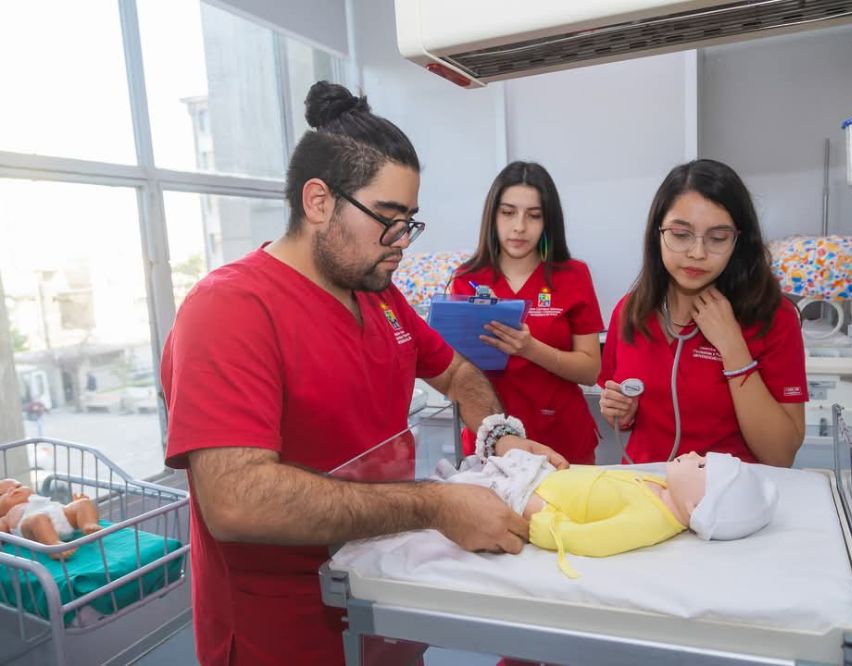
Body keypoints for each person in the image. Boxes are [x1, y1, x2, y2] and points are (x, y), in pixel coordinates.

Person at [161, 82, 567, 666]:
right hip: (284, 628)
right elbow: (237, 500)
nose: (402, 243)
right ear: (319, 202)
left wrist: (498, 436)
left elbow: (458, 373)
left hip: (381, 599)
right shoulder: (230, 309)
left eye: (410, 223)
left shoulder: (376, 294)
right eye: (388, 220)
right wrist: (434, 505)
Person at [598, 159, 807, 466]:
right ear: (658, 233)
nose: (697, 253)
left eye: (717, 238)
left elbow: (780, 455)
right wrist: (621, 412)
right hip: (646, 487)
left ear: (738, 241)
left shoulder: (773, 317)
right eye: (680, 235)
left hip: (727, 491)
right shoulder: (630, 311)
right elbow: (627, 415)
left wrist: (733, 348)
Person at [451, 162, 604, 464]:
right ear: (493, 216)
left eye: (534, 215)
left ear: (548, 221)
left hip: (562, 437)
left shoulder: (573, 275)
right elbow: (457, 370)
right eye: (508, 213)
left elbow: (590, 371)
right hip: (493, 443)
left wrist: (530, 348)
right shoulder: (468, 279)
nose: (519, 226)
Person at [437, 450, 778, 578]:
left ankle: (451, 484)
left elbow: (596, 540)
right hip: (543, 478)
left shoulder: (650, 520)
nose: (691, 454)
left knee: (481, 493)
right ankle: (470, 471)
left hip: (532, 501)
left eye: (700, 465)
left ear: (695, 508)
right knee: (504, 463)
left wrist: (550, 530)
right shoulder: (662, 487)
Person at [0, 478, 101, 559]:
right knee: (38, 518)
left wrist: (75, 505)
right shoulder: (7, 516)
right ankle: (54, 546)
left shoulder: (38, 499)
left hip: (61, 517)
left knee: (83, 503)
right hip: (35, 530)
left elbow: (60, 507)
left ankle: (88, 524)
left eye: (18, 486)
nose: (13, 491)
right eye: (2, 494)